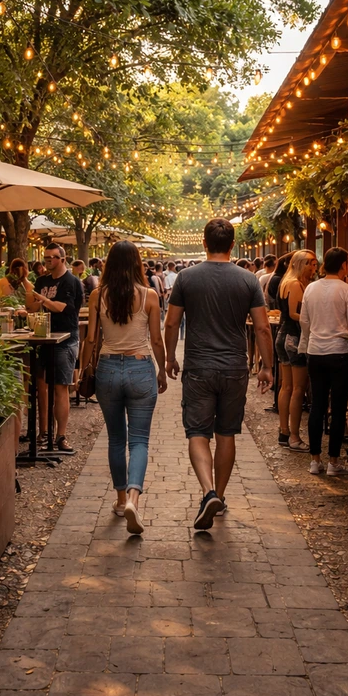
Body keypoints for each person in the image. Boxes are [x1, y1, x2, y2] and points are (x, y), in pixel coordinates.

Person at [164, 218, 273, 531]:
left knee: (198, 432)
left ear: (204, 243)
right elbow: (263, 327)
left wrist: (169, 357)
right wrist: (267, 366)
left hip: (199, 366)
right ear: (233, 245)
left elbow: (171, 322)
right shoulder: (248, 280)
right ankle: (220, 496)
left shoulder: (186, 277)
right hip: (234, 367)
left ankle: (208, 491)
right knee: (227, 433)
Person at [79, 241, 167, 535]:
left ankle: (119, 500)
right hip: (140, 367)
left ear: (109, 264)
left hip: (107, 369)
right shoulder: (149, 295)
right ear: (137, 263)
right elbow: (156, 339)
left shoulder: (97, 295)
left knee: (116, 439)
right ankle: (133, 499)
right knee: (139, 441)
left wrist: (82, 369)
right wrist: (162, 370)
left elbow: (91, 339)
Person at [300, 246, 348, 476]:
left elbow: (304, 321)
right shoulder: (347, 290)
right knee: (337, 408)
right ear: (344, 265)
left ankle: (315, 460)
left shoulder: (311, 288)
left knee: (317, 405)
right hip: (340, 353)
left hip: (316, 352)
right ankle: (333, 461)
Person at [35, 243, 84, 450]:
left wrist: (42, 299)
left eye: (52, 257)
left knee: (61, 386)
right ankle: (43, 432)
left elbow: (63, 308)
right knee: (41, 386)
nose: (48, 261)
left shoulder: (71, 282)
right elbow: (33, 306)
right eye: (45, 257)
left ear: (63, 259)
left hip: (65, 339)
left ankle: (60, 436)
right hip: (41, 338)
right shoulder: (41, 281)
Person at [275, 250, 317, 452]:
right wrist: (314, 319)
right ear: (300, 264)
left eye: (315, 264)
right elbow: (295, 313)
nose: (314, 268)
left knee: (287, 387)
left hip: (283, 336)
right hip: (294, 338)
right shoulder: (295, 284)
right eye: (310, 263)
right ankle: (294, 436)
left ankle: (284, 431)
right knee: (297, 389)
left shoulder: (286, 282)